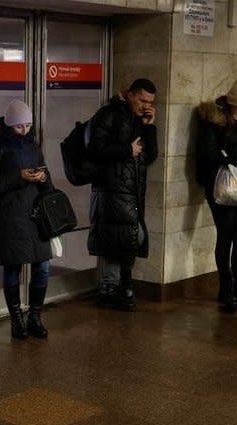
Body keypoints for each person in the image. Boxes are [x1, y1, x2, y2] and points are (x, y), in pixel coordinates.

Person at [0, 100, 53, 339]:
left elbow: (47, 180)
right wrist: (18, 177)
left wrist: (42, 178)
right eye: (20, 126)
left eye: (28, 125)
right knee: (13, 267)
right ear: (9, 124)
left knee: (42, 267)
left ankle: (35, 316)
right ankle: (16, 320)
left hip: (35, 217)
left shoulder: (33, 145)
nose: (25, 131)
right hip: (10, 217)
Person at [87, 78, 158, 311]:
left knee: (126, 238)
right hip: (111, 189)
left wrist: (149, 125)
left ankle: (116, 288)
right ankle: (115, 288)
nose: (145, 105)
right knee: (125, 238)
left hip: (131, 190)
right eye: (142, 100)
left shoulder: (138, 120)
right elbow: (95, 149)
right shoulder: (110, 114)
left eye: (150, 102)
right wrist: (127, 149)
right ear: (130, 95)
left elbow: (149, 156)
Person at [196, 80, 237, 313]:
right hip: (220, 186)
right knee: (226, 236)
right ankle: (226, 290)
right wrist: (234, 152)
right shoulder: (213, 121)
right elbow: (209, 152)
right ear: (230, 104)